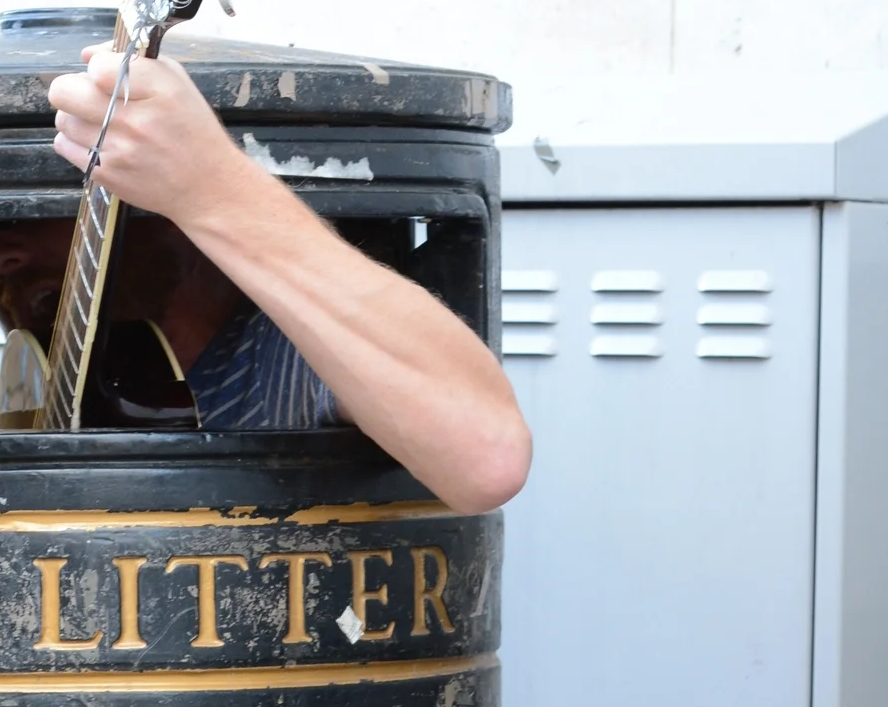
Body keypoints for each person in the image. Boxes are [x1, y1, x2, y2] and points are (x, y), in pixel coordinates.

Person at [41, 40, 532, 515]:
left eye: (34, 221)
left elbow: (487, 455)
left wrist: (209, 186)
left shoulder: (277, 357)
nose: (7, 258)